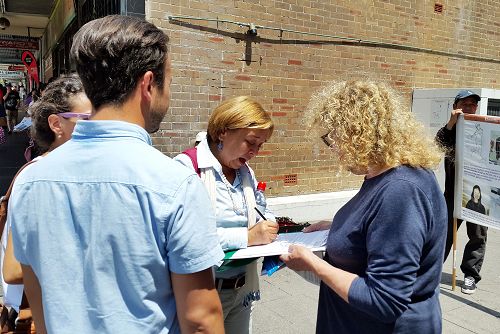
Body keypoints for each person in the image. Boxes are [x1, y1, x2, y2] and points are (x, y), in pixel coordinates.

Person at [8, 15, 224, 333]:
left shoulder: (30, 180)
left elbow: (38, 298)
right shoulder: (175, 183)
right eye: (170, 82)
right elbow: (201, 320)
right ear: (148, 84)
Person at [280, 80, 447, 334]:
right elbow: (380, 232)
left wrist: (314, 265)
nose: (333, 147)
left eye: (333, 137)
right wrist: (340, 228)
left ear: (359, 133)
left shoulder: (401, 189)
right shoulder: (385, 176)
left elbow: (385, 299)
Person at [174, 96, 277, 334]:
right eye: (251, 142)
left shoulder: (245, 172)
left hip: (242, 290)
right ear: (222, 132)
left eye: (260, 145)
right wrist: (247, 237)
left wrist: (270, 223)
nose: (255, 152)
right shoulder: (187, 169)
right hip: (203, 292)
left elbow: (260, 209)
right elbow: (187, 237)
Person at [1, 73, 91, 331]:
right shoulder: (37, 178)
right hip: (43, 318)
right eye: (86, 120)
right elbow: (14, 270)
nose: (97, 127)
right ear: (56, 124)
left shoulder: (78, 174)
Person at [435, 89, 487, 294]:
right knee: (442, 233)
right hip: (453, 195)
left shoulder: (484, 127)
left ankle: (470, 275)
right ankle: (430, 270)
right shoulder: (450, 130)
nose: (469, 107)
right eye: (464, 103)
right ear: (456, 106)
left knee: (477, 236)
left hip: (478, 195)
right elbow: (437, 146)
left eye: (472, 104)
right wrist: (451, 124)